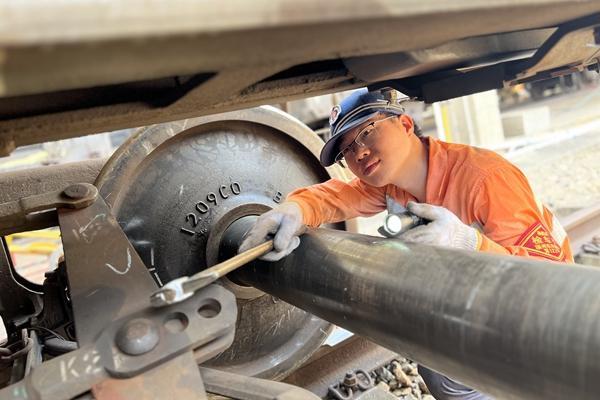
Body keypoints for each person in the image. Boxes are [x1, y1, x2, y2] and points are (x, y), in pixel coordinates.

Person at [239, 88, 573, 399]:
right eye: (347, 149)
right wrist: (294, 209)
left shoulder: (486, 179)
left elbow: (553, 284)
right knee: (430, 348)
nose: (360, 152)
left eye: (367, 132)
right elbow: (332, 197)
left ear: (406, 123)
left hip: (546, 324)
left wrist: (467, 241)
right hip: (485, 300)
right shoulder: (390, 184)